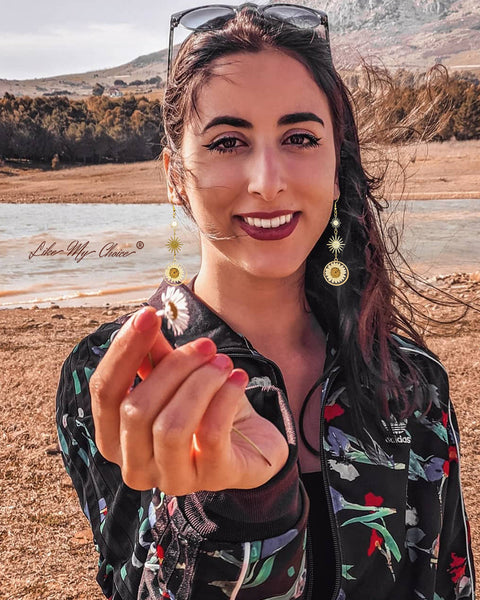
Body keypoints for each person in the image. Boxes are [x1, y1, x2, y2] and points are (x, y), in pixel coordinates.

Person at [56, 4, 476, 600]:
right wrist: (250, 509)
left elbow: (447, 584)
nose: (267, 179)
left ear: (336, 165)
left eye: (300, 137)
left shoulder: (410, 381)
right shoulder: (115, 378)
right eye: (228, 142)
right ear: (175, 175)